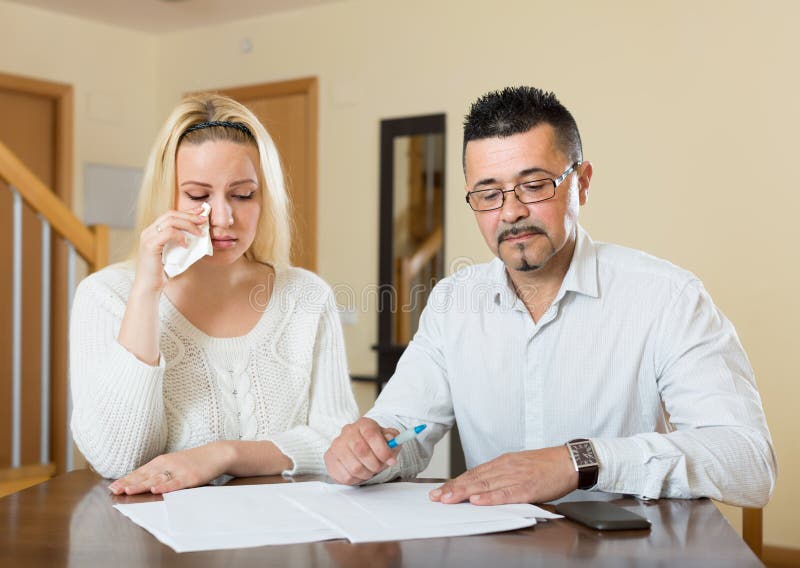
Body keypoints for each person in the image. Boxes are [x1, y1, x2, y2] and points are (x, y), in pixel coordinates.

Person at [324, 86, 776, 508]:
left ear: (582, 182)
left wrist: (579, 461)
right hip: (495, 551)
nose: (511, 211)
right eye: (488, 193)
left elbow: (749, 462)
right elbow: (402, 430)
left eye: (534, 185)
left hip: (626, 552)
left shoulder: (666, 297)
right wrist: (367, 451)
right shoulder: (452, 302)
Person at [70, 94, 358, 495]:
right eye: (198, 196)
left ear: (264, 198)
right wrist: (147, 293)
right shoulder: (105, 296)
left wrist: (224, 455)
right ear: (167, 196)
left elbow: (340, 442)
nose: (223, 218)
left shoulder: (308, 297)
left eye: (242, 195)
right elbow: (118, 458)